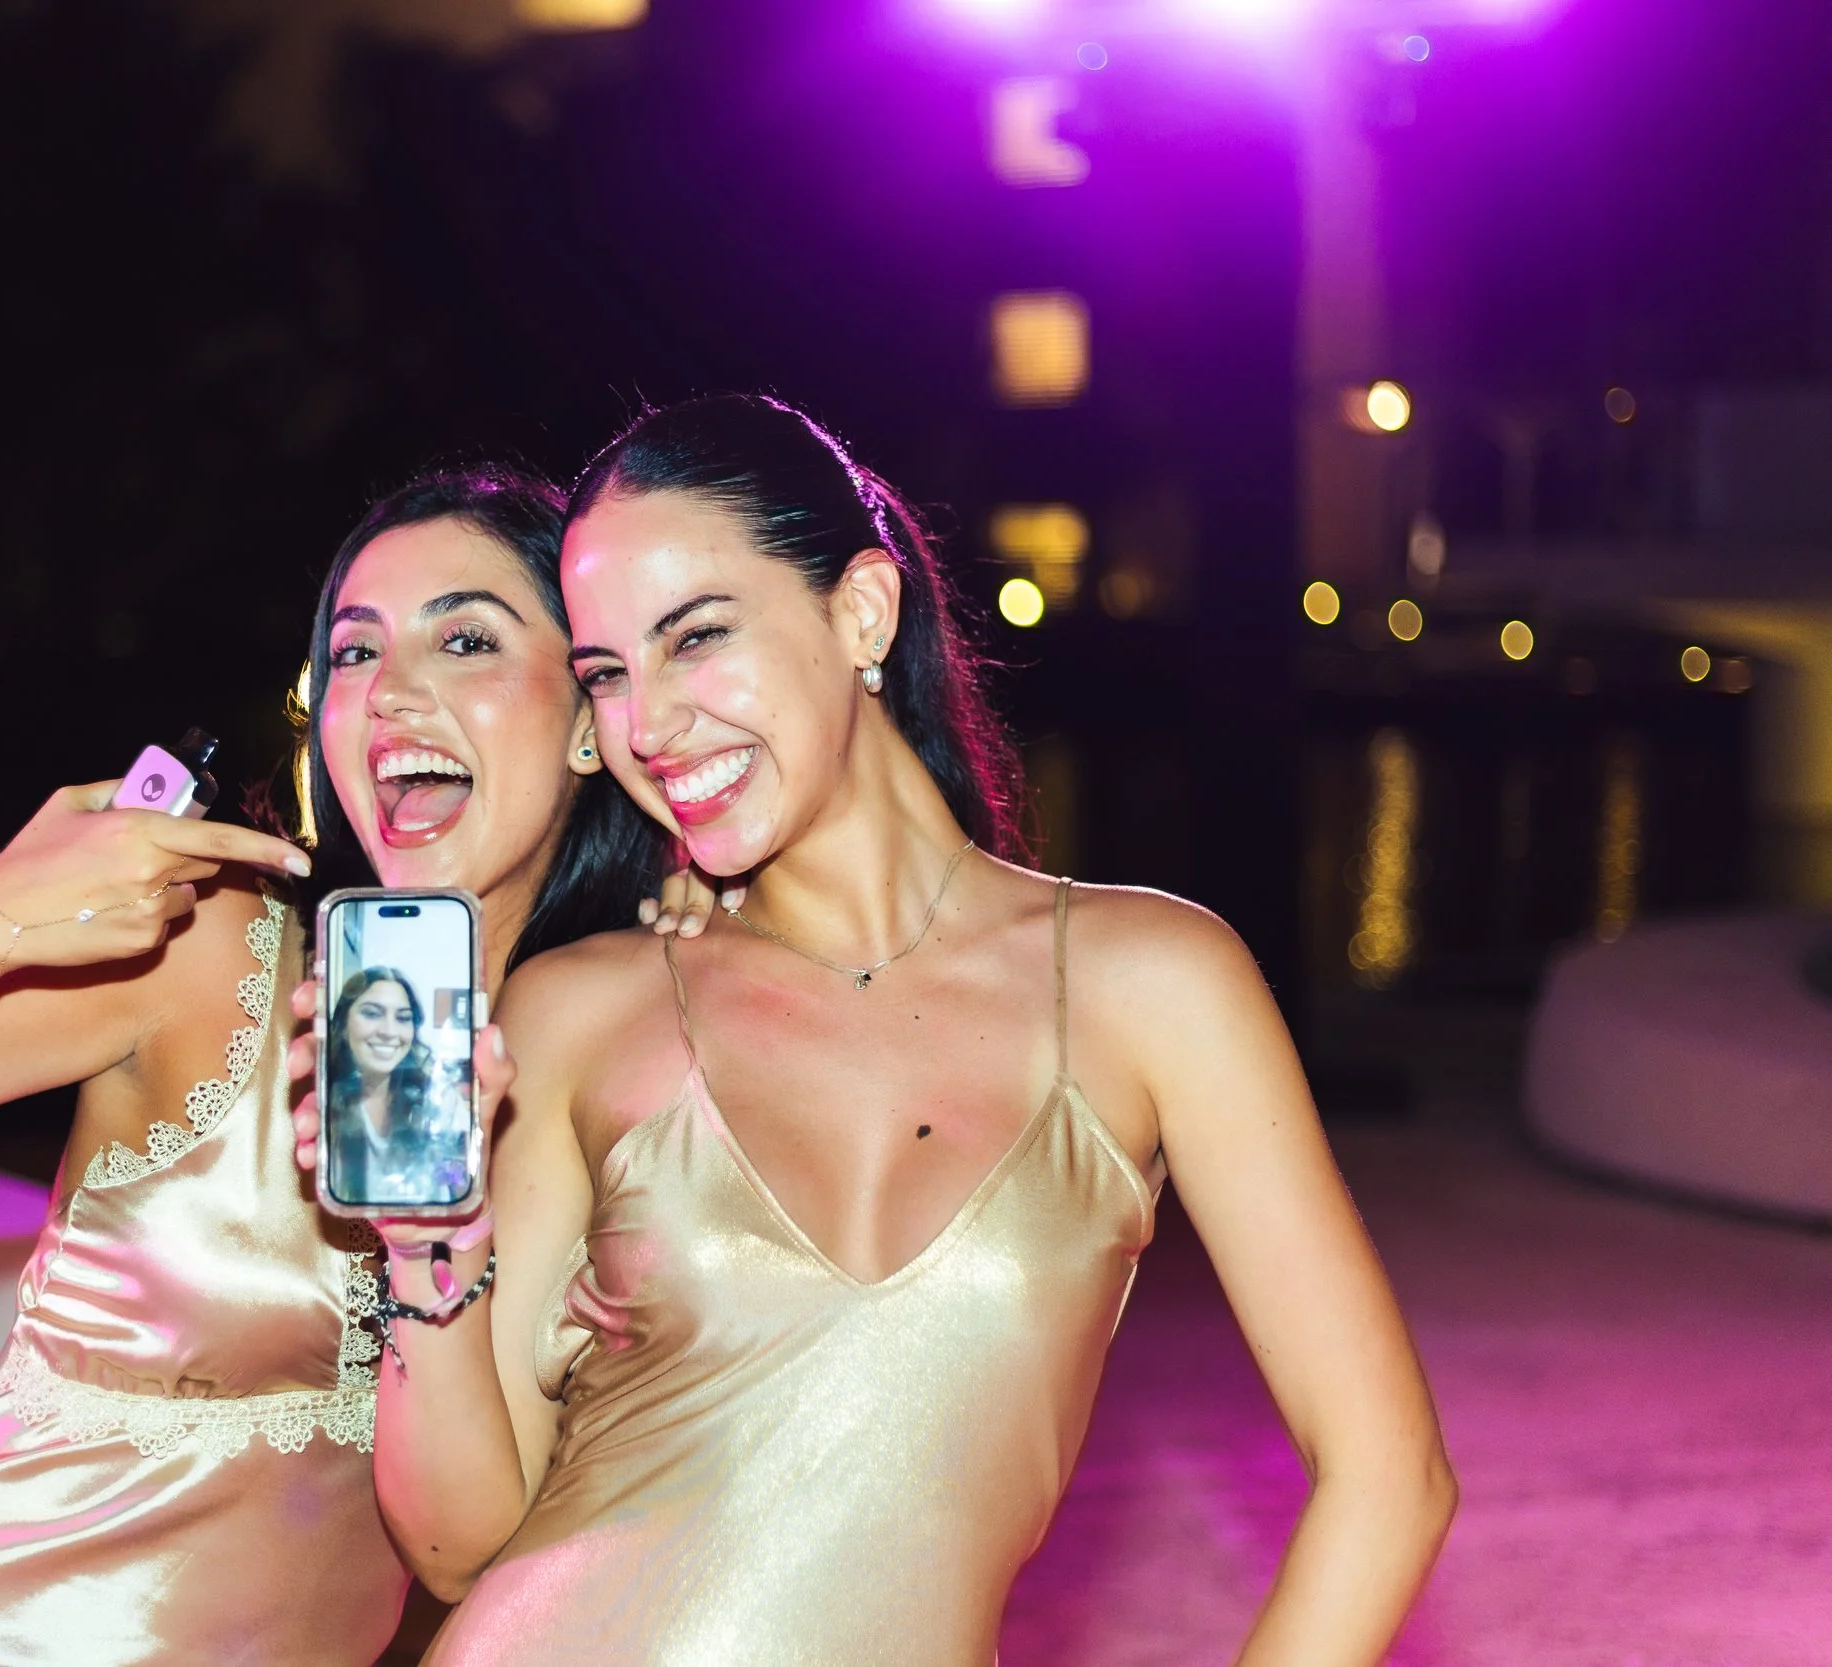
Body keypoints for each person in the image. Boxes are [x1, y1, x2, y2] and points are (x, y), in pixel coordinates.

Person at [319, 396, 1458, 1666]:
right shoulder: (582, 1008)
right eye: (606, 674)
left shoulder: (1151, 982)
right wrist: (427, 1252)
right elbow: (458, 1544)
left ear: (860, 610)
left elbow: (1386, 1473)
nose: (647, 723)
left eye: (695, 637)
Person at [0, 462, 704, 1666]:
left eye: (464, 638)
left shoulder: (606, 1036)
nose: (391, 696)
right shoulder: (211, 943)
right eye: (355, 655)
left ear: (590, 718)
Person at [323, 967, 470, 1207]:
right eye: (371, 1014)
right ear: (343, 1025)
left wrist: (444, 1168)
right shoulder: (323, 1102)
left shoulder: (438, 1099)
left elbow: (457, 1182)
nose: (389, 1032)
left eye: (403, 1018)